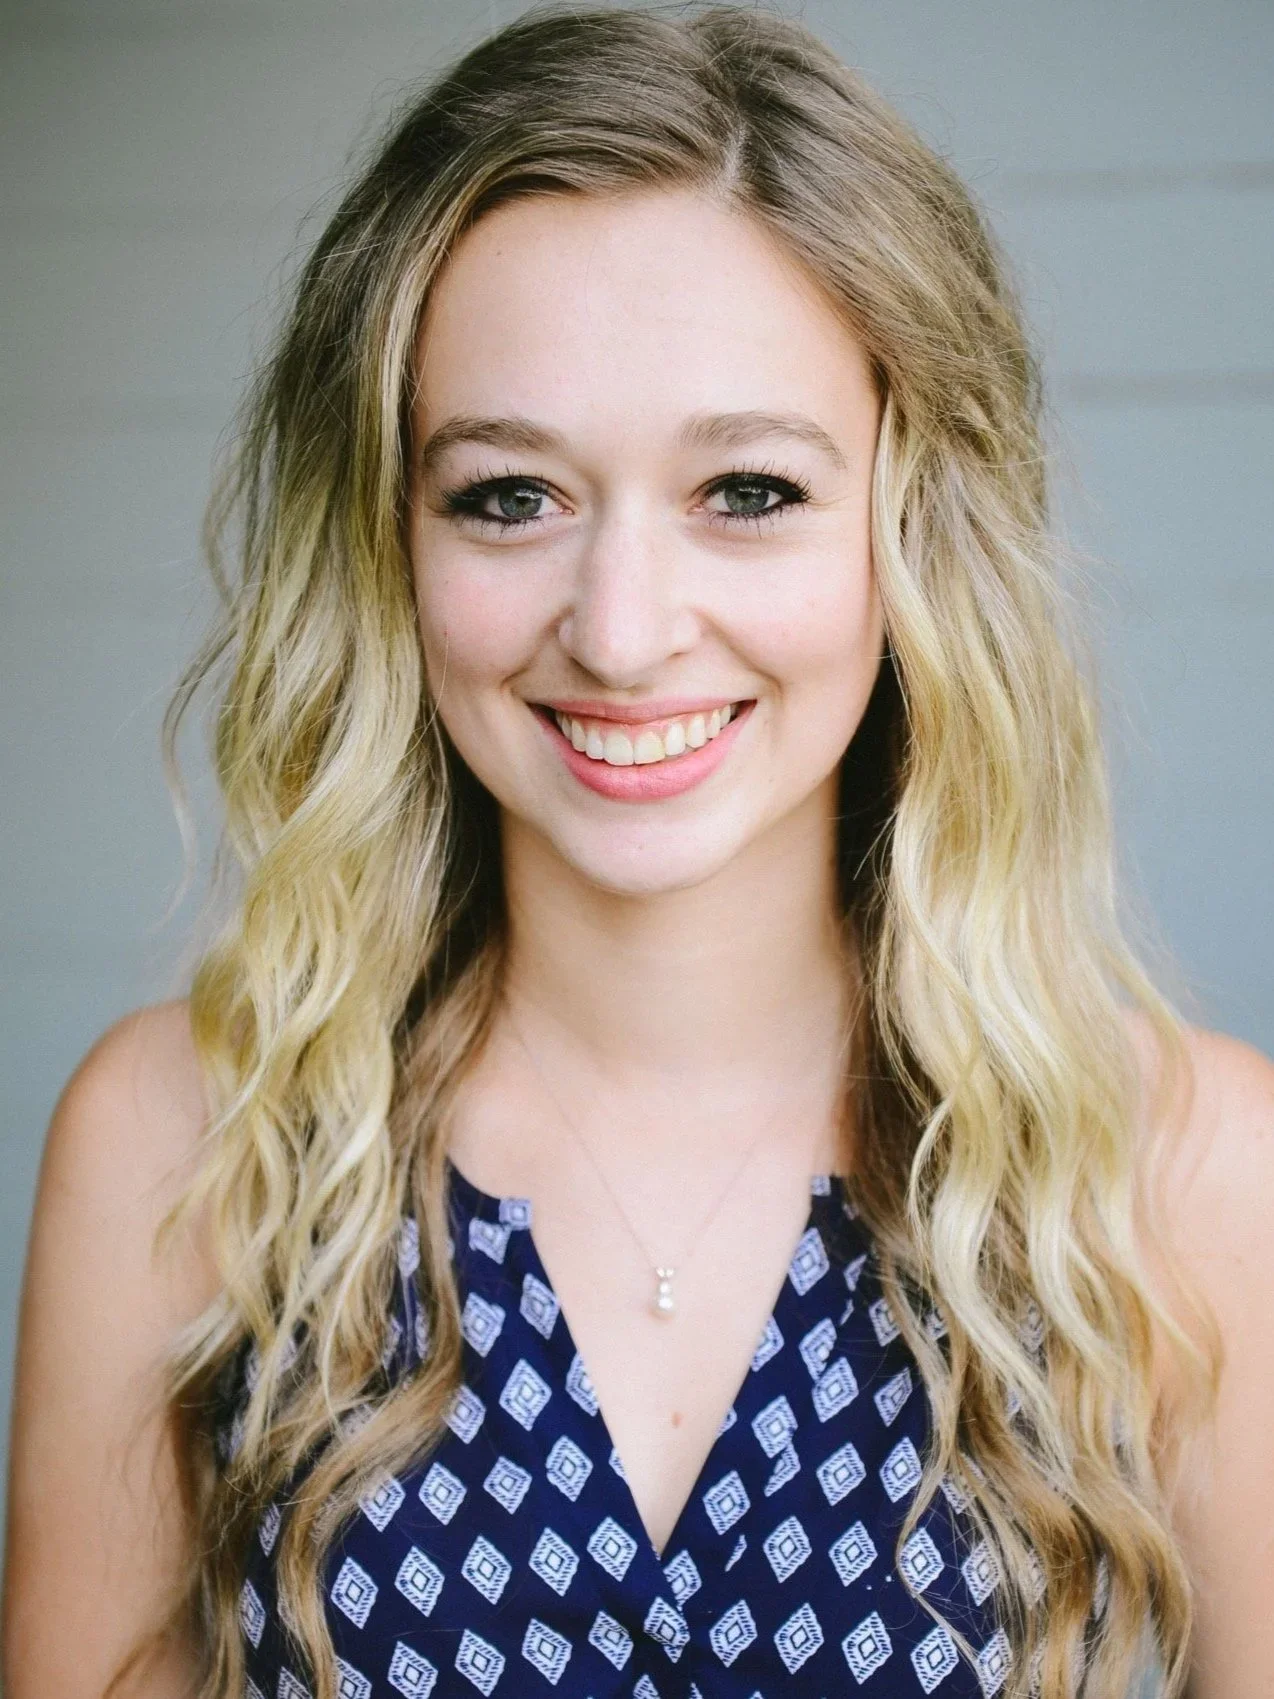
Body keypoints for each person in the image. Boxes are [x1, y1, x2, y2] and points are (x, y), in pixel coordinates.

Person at [4, 5, 1271, 1697]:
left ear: (911, 529)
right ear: (388, 539)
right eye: (508, 496)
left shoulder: (1184, 1180)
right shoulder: (184, 1151)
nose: (618, 631)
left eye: (745, 490)